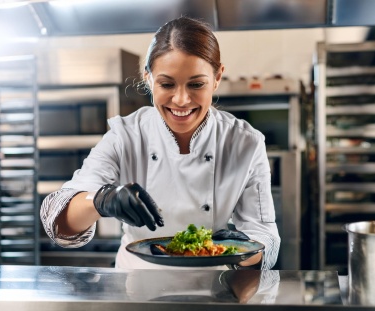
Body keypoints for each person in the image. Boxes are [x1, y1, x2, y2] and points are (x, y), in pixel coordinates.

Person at [40, 16, 280, 270]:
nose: (181, 99)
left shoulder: (244, 142)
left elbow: (265, 236)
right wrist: (101, 200)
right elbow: (58, 221)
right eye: (166, 84)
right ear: (148, 78)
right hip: (136, 289)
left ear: (218, 77)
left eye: (196, 84)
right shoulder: (127, 136)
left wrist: (240, 249)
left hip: (214, 288)